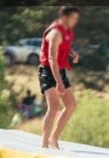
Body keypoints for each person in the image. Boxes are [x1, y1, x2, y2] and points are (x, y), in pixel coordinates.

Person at [38, 6, 80, 149]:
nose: (75, 21)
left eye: (76, 18)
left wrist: (72, 53)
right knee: (54, 106)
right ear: (64, 17)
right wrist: (58, 82)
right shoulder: (55, 32)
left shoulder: (67, 31)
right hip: (47, 70)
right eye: (73, 18)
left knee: (71, 105)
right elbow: (51, 58)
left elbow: (65, 46)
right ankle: (44, 145)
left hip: (60, 70)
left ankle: (54, 137)